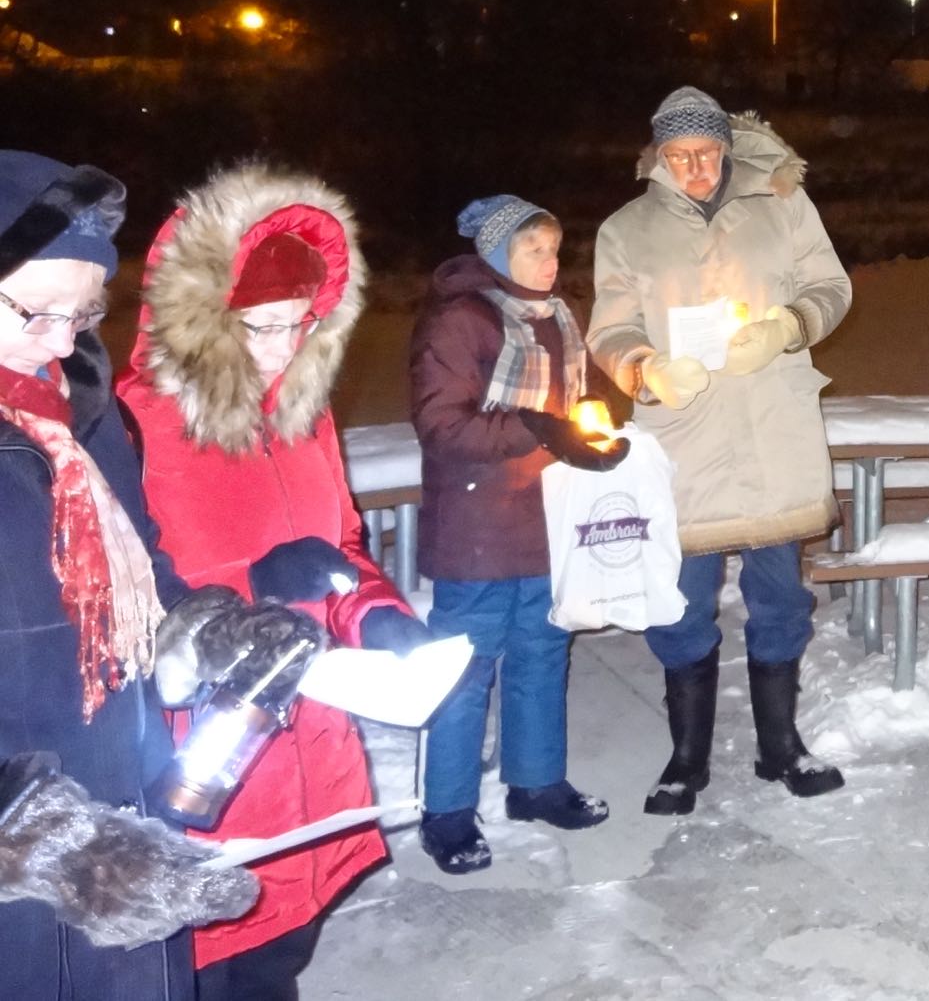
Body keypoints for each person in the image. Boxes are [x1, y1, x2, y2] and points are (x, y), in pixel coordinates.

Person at [119, 163, 433, 1001]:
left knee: (287, 938)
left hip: (310, 729)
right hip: (210, 742)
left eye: (299, 326)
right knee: (216, 953)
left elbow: (338, 548)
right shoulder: (135, 425)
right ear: (203, 319)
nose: (278, 351)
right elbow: (123, 598)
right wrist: (254, 580)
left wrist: (380, 618)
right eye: (256, 327)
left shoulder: (302, 411)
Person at [0, 151, 249, 999]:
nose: (63, 343)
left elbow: (141, 575)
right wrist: (69, 849)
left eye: (85, 313)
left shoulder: (80, 419)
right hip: (26, 864)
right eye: (36, 312)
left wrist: (218, 630)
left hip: (122, 791)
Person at [589, 87, 852, 817]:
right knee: (680, 606)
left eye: (707, 152)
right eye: (680, 156)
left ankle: (782, 746)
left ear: (727, 145)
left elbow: (832, 286)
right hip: (685, 444)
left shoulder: (783, 203)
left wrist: (789, 326)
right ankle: (686, 758)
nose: (697, 168)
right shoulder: (627, 229)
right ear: (659, 156)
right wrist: (644, 369)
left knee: (780, 599)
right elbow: (607, 328)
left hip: (773, 433)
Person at [409, 195, 622, 874]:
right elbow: (444, 427)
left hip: (547, 516)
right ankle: (446, 812)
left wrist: (597, 427)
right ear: (497, 254)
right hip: (475, 528)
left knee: (541, 654)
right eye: (535, 250)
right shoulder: (459, 320)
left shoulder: (558, 316)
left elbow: (575, 402)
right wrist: (539, 428)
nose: (551, 263)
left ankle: (535, 783)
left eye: (556, 250)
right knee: (465, 674)